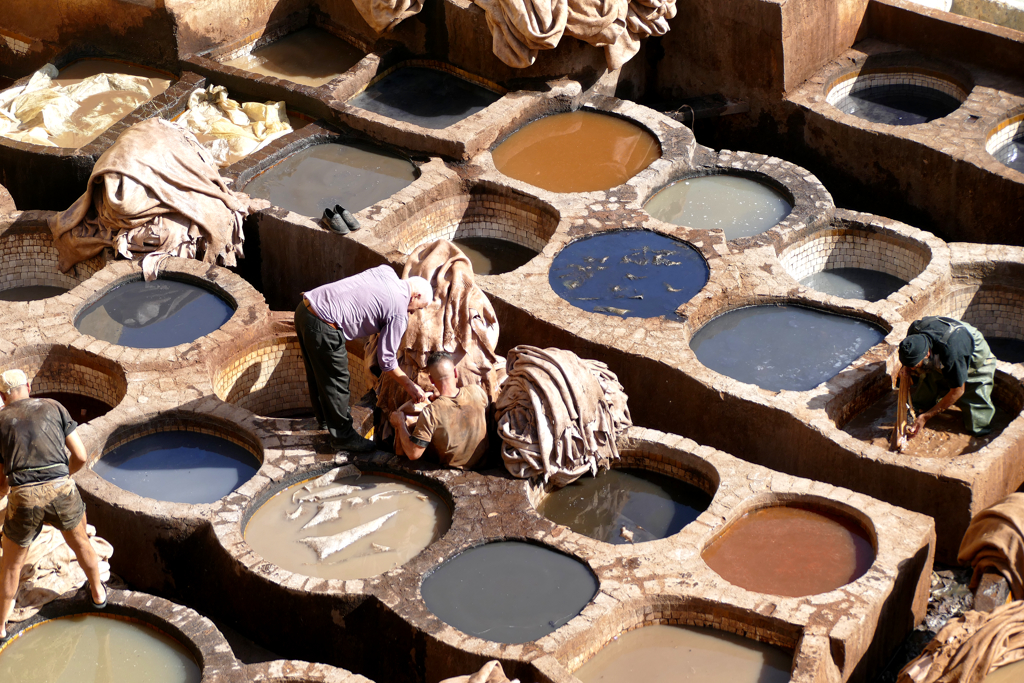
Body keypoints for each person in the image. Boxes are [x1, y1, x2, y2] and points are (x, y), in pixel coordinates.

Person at [0, 369, 107, 641]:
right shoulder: (54, 406)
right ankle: (97, 594)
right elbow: (81, 456)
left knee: (11, 567)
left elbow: (2, 484)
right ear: (28, 386)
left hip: (23, 497)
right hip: (62, 489)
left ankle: (0, 627)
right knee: (82, 543)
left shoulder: (0, 421)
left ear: (3, 396)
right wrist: (60, 478)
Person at [296, 265, 433, 452]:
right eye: (418, 308)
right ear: (415, 296)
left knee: (317, 373)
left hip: (305, 309)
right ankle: (343, 437)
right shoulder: (399, 312)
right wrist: (410, 385)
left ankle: (325, 423)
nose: (413, 313)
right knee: (338, 381)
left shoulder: (386, 271)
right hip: (325, 326)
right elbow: (386, 360)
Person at [898, 316, 998, 438]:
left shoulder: (953, 353)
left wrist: (926, 417)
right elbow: (909, 354)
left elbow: (958, 391)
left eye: (914, 365)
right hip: (944, 341)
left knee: (976, 421)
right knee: (922, 396)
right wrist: (905, 367)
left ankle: (980, 428)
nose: (913, 369)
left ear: (927, 353)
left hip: (973, 351)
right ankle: (924, 403)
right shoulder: (915, 331)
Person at [390, 351, 489, 470]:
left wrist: (400, 423)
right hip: (484, 465)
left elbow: (413, 454)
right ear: (456, 372)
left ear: (431, 380)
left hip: (454, 472)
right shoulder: (477, 391)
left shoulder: (431, 413)